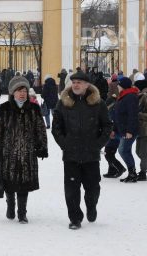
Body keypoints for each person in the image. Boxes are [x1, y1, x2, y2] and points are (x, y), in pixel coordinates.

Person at [52, 70, 111, 230]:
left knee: (92, 188)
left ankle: (91, 206)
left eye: (79, 82)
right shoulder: (64, 102)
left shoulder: (98, 103)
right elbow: (56, 127)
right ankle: (75, 218)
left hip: (91, 155)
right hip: (70, 155)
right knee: (71, 189)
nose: (76, 85)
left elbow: (107, 126)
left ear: (87, 85)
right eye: (74, 82)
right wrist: (65, 143)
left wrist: (98, 144)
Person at [0, 76, 48, 224]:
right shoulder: (4, 109)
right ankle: (10, 205)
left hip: (27, 153)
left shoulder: (33, 109)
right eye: (19, 90)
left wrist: (42, 147)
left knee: (24, 184)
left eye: (24, 91)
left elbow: (40, 129)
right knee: (8, 182)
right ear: (12, 92)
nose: (22, 93)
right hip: (8, 154)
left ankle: (22, 212)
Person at [113, 77, 139, 183]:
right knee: (124, 150)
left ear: (123, 86)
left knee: (123, 150)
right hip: (123, 129)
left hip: (129, 130)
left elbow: (132, 115)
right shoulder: (123, 96)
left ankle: (132, 173)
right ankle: (132, 173)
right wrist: (115, 129)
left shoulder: (130, 97)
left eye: (119, 85)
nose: (117, 87)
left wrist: (130, 131)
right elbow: (118, 115)